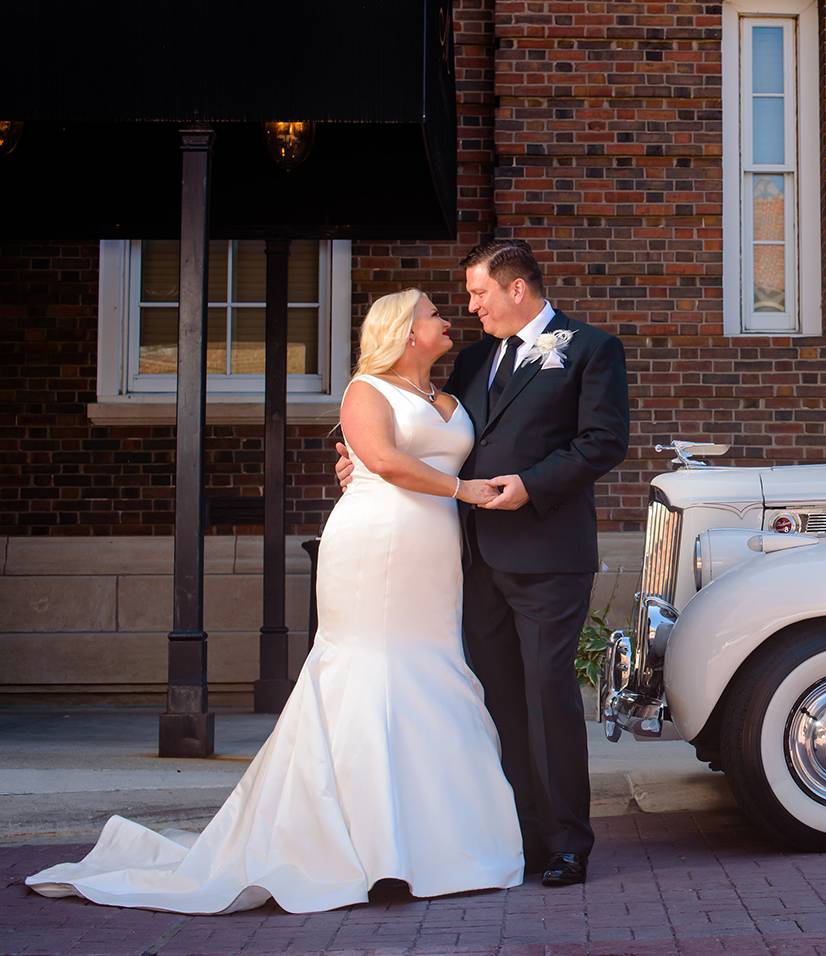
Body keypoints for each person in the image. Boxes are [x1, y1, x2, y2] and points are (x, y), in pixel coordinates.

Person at [26, 290, 523, 914]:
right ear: (402, 329)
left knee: (433, 672)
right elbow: (382, 461)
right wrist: (463, 488)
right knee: (367, 673)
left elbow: (430, 455)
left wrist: (464, 491)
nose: (445, 318)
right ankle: (371, 848)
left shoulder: (451, 397)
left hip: (435, 554)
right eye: (431, 313)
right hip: (375, 544)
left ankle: (442, 843)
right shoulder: (366, 390)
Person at [337, 241, 629, 887]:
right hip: (469, 556)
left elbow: (603, 441)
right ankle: (516, 835)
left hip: (549, 553)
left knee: (547, 693)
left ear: (516, 289)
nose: (470, 308)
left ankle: (565, 843)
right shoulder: (470, 361)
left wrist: (531, 484)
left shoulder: (589, 348)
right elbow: (431, 438)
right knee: (496, 698)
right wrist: (359, 460)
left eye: (478, 294)